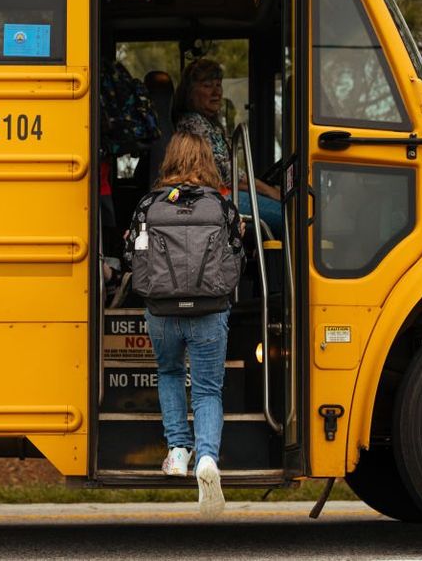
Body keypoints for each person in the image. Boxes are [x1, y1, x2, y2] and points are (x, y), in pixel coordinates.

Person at [123, 131, 244, 517]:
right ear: (207, 161)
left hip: (162, 312)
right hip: (209, 310)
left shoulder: (148, 205)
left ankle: (177, 452)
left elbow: (130, 256)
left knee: (170, 372)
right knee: (208, 389)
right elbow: (238, 256)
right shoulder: (222, 206)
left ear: (169, 160)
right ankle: (207, 460)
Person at [172, 58, 283, 239]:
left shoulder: (208, 124)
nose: (217, 92)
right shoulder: (194, 124)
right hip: (215, 198)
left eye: (218, 85)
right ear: (190, 93)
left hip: (218, 195)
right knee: (291, 216)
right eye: (208, 86)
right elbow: (225, 174)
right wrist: (271, 191)